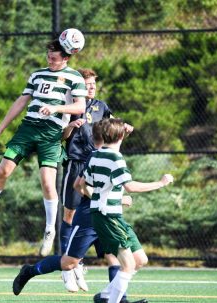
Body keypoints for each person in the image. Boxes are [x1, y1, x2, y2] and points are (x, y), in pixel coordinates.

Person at [0, 38, 86, 257]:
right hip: (27, 129)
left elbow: (80, 106)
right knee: (3, 171)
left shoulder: (74, 77)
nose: (50, 60)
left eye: (54, 58)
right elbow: (21, 101)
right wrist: (1, 127)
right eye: (48, 56)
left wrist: (56, 108)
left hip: (51, 134)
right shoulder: (37, 74)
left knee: (48, 184)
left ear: (66, 57)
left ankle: (49, 230)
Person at [12, 120, 148, 303]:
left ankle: (112, 298)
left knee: (123, 259)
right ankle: (30, 271)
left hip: (110, 217)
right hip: (89, 217)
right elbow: (79, 186)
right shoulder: (98, 156)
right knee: (70, 263)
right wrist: (106, 198)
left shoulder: (110, 153)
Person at [79, 118, 173, 303]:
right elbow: (130, 186)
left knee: (140, 259)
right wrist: (160, 183)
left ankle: (106, 295)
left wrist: (101, 200)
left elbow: (83, 185)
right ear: (121, 135)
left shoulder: (96, 155)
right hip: (109, 217)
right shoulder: (115, 158)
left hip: (108, 215)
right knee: (128, 266)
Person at [60, 68, 133, 254]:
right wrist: (70, 126)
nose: (91, 87)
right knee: (70, 212)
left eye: (93, 84)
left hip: (97, 163)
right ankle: (69, 260)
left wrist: (124, 127)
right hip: (76, 162)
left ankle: (107, 261)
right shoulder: (71, 106)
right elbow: (61, 136)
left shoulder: (102, 106)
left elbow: (114, 125)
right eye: (87, 85)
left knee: (101, 208)